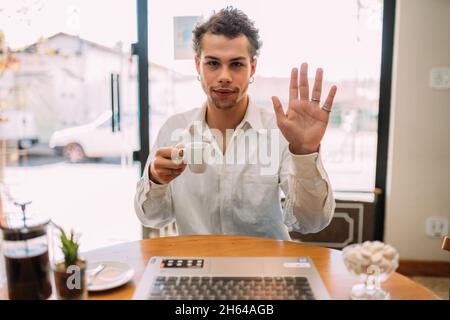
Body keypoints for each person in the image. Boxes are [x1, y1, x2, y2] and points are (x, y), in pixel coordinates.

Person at [134, 7, 337, 240]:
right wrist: (155, 179)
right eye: (213, 63)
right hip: (198, 269)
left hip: (265, 268)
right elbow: (152, 217)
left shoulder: (279, 131)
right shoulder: (173, 129)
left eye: (236, 64)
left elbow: (311, 222)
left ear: (253, 67)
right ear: (197, 65)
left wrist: (305, 152)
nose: (224, 76)